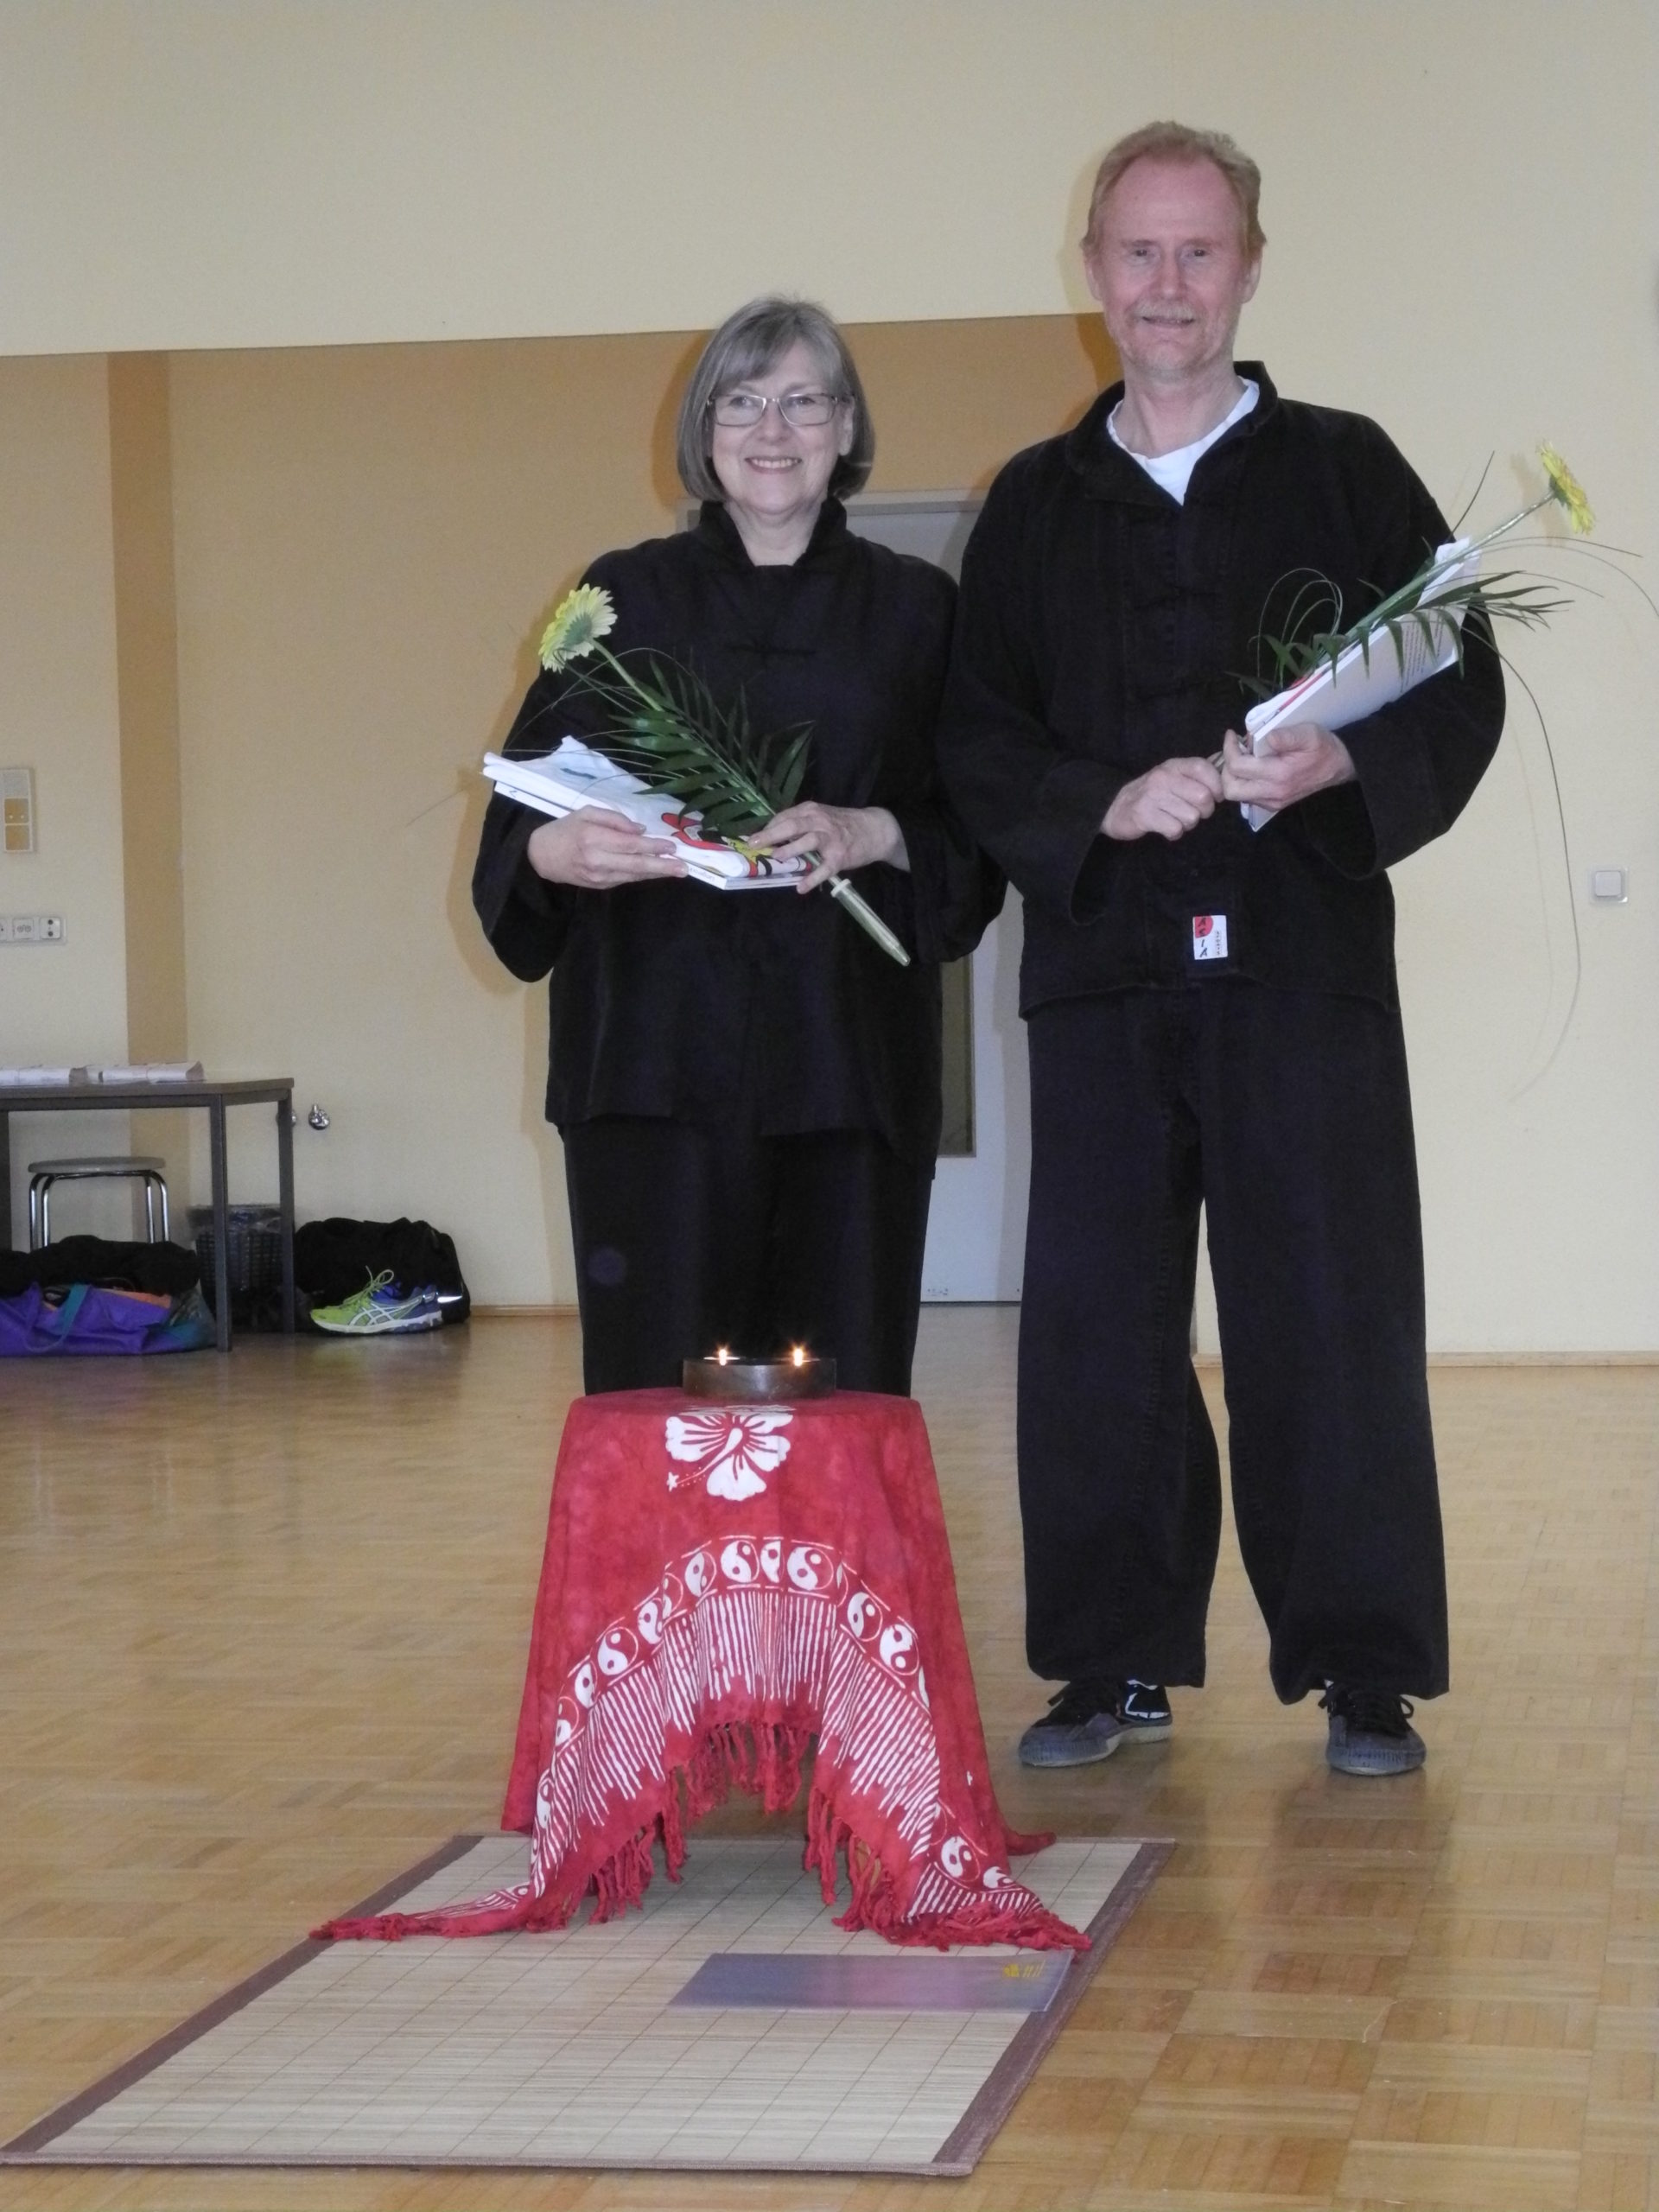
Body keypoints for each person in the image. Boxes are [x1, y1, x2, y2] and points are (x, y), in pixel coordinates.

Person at [939, 123, 1504, 1777]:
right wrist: (1095, 804)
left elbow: (1457, 680)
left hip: (1301, 964)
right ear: (1092, 270)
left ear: (1252, 266)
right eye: (1137, 253)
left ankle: (1363, 1668)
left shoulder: (1348, 468)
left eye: (1199, 253)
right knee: (1101, 1326)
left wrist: (1344, 763)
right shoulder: (1035, 505)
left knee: (1325, 1312)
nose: (1167, 285)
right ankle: (1112, 1661)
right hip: (1107, 969)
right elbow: (976, 736)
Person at [474, 296, 998, 1395]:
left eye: (805, 400)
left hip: (849, 1073)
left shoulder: (920, 614)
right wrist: (553, 853)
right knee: (657, 1412)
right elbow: (524, 809)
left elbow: (985, 820)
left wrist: (878, 829)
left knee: (842, 1413)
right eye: (743, 401)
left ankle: (831, 1584)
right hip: (655, 1076)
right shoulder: (623, 598)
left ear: (847, 428)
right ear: (703, 432)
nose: (774, 429)